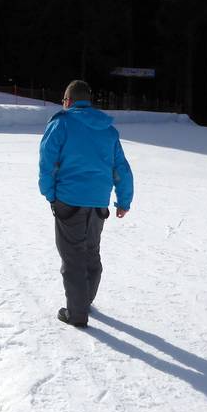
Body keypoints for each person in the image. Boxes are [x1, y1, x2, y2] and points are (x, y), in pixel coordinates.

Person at [38, 80, 134, 327]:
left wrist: (50, 194)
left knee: (73, 258)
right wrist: (124, 201)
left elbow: (47, 162)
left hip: (69, 201)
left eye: (63, 100)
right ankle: (84, 300)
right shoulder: (108, 130)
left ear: (68, 101)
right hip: (98, 203)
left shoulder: (61, 123)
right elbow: (121, 169)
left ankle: (77, 314)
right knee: (91, 252)